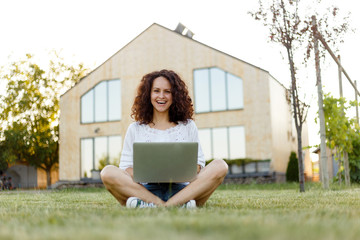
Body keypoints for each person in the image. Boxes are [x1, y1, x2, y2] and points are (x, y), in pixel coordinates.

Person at [101, 69, 228, 208]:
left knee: (220, 166)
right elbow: (125, 167)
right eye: (156, 91)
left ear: (175, 95)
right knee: (107, 172)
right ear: (148, 94)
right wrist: (150, 173)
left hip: (183, 190)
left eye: (167, 91)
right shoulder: (135, 128)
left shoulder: (188, 126)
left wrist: (178, 172)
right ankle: (172, 205)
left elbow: (198, 164)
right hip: (145, 190)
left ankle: (161, 205)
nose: (161, 96)